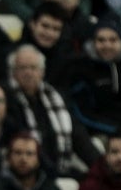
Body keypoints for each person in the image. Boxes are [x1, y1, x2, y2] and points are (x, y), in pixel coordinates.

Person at [6, 44, 101, 179]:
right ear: (13, 72)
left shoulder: (57, 97)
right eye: (22, 68)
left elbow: (80, 138)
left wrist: (103, 169)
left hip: (61, 167)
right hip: (28, 173)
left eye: (33, 68)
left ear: (42, 72)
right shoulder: (4, 98)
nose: (28, 73)